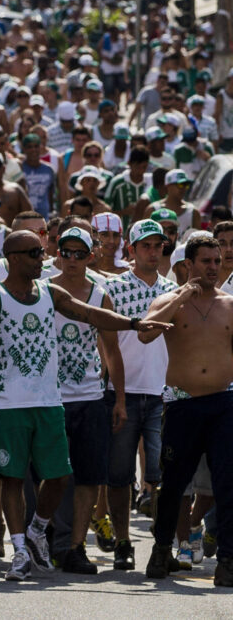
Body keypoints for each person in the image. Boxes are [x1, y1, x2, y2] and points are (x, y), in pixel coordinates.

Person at [0, 229, 167, 581]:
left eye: (42, 252)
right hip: (9, 405)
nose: (42, 258)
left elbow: (90, 314)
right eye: (33, 253)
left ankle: (37, 530)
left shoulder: (49, 292)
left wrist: (133, 324)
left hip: (49, 402)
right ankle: (19, 551)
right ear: (13, 258)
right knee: (12, 479)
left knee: (59, 477)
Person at [140, 235, 233, 586]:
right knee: (174, 483)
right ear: (188, 265)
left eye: (217, 261)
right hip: (182, 403)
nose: (213, 267)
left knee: (228, 483)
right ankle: (162, 548)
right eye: (206, 261)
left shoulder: (229, 304)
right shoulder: (169, 301)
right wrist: (183, 294)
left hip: (224, 403)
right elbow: (146, 334)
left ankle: (227, 559)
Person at [48, 225, 127, 575]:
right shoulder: (42, 291)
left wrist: (119, 399)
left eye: (81, 253)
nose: (73, 259)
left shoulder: (100, 295)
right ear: (57, 253)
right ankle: (52, 536)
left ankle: (75, 547)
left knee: (90, 477)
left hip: (91, 396)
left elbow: (111, 350)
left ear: (91, 256)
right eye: (67, 252)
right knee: (53, 473)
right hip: (50, 397)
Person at [101, 219, 177, 571]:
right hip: (124, 392)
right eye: (145, 245)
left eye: (157, 245)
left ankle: (163, 547)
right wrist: (114, 394)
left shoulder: (173, 288)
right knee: (118, 476)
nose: (152, 250)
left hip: (164, 394)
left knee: (164, 476)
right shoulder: (111, 288)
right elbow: (105, 343)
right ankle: (122, 542)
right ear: (130, 250)